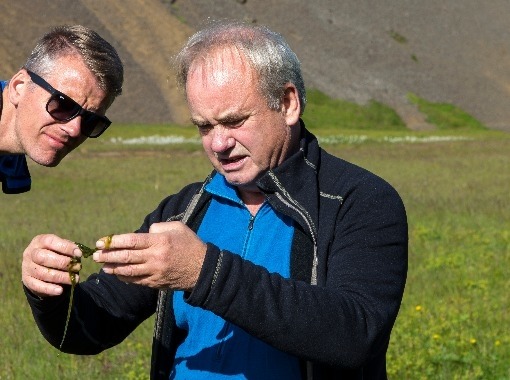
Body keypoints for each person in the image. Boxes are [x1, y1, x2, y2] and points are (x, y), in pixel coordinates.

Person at [22, 20, 408, 379]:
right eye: (205, 126)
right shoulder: (184, 211)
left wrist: (204, 272)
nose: (219, 143)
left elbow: (358, 335)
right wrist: (49, 290)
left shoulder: (358, 201)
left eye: (235, 121)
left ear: (288, 103)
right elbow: (89, 328)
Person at [0, 25, 123, 194]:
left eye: (91, 121)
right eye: (63, 105)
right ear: (18, 87)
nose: (74, 130)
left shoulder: (11, 163)